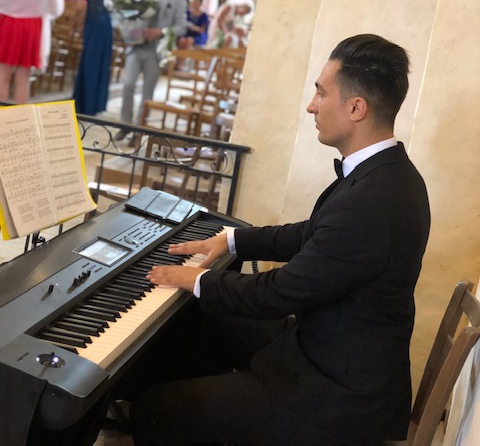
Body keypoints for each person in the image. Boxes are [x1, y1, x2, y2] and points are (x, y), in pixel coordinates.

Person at [129, 34, 431, 446]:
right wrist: (232, 240)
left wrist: (193, 279)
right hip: (330, 354)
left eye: (321, 93)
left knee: (156, 409)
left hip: (334, 395)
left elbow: (279, 293)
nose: (311, 105)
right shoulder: (388, 174)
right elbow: (311, 234)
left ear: (356, 108)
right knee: (197, 323)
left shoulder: (374, 199)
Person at [116, 0, 187, 140]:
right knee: (128, 84)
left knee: (147, 92)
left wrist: (161, 31)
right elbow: (127, 14)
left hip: (156, 49)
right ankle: (124, 125)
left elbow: (181, 27)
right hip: (135, 46)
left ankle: (140, 131)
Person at [72, 0, 114, 115]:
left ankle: (83, 103)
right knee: (102, 63)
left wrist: (75, 23)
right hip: (106, 25)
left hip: (92, 23)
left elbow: (79, 6)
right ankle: (96, 103)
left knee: (88, 61)